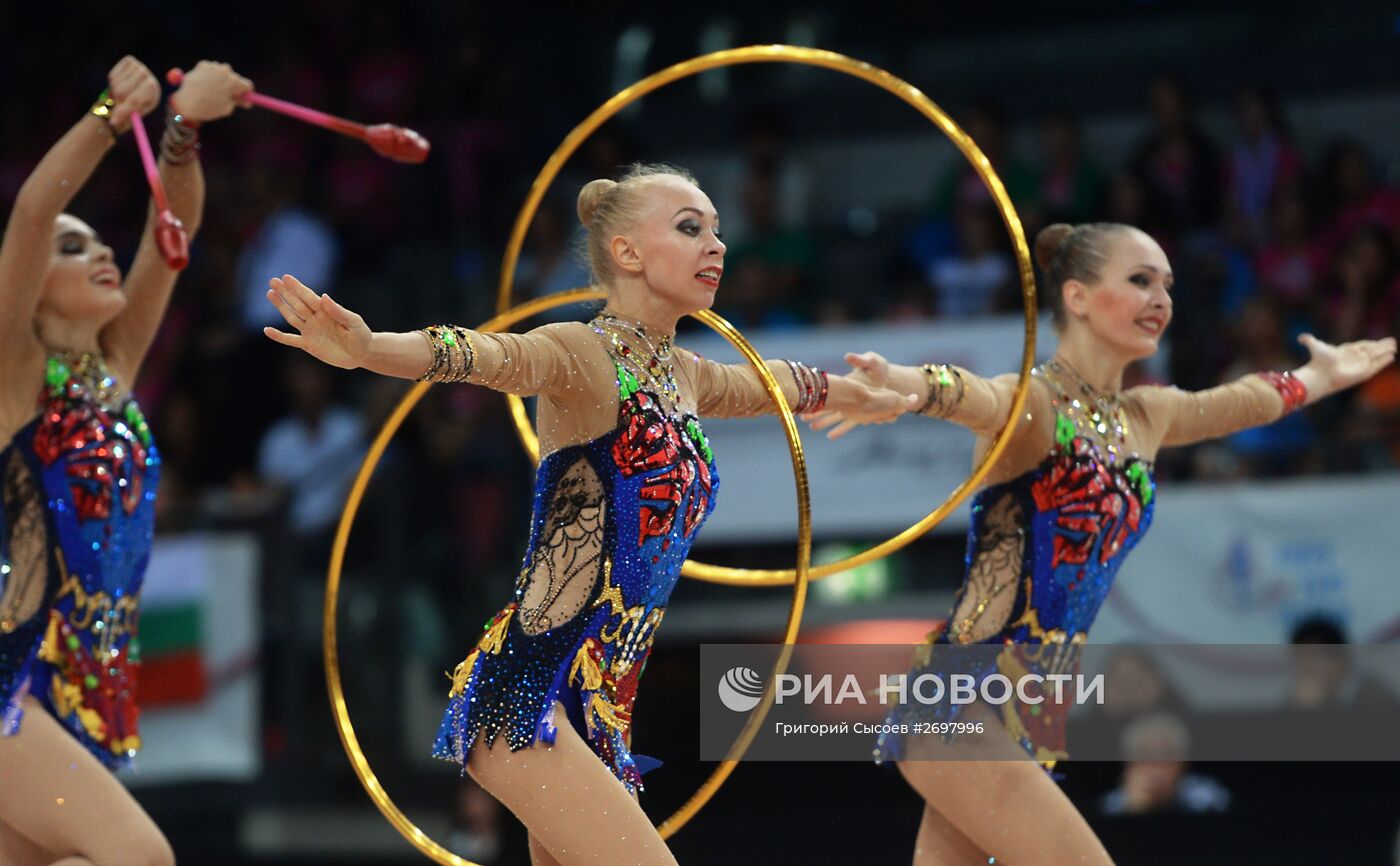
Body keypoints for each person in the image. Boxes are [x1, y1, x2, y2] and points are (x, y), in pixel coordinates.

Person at [262, 163, 916, 866]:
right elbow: (487, 354)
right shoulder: (584, 354)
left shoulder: (685, 375)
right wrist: (369, 349)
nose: (717, 246)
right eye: (691, 228)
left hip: (598, 714)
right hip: (527, 693)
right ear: (627, 253)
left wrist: (857, 393)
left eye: (719, 232)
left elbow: (774, 382)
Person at [812, 220, 1395, 865]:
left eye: (1167, 285)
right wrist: (901, 382)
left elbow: (1240, 402)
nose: (1161, 299)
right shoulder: (1036, 404)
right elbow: (973, 396)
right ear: (1078, 297)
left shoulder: (1145, 417)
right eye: (1140, 280)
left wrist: (1324, 376)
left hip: (1029, 714)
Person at [0, 57, 250, 865]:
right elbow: (34, 213)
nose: (104, 254)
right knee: (140, 858)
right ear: (33, 285)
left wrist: (183, 131)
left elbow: (171, 239)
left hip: (85, 684)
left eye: (101, 242)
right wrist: (111, 115)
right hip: (12, 680)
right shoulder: (13, 379)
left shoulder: (112, 373)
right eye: (76, 250)